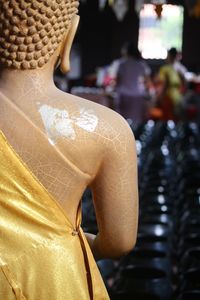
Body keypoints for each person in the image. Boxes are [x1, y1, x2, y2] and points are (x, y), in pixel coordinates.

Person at [0, 1, 138, 299]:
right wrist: (86, 243)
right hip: (53, 280)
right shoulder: (106, 128)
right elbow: (120, 241)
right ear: (68, 33)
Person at [115, 42, 151, 124]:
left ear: (126, 51)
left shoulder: (122, 64)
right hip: (137, 95)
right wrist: (147, 94)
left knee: (122, 121)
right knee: (136, 120)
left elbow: (118, 80)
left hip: (124, 94)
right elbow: (147, 81)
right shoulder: (141, 64)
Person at [155, 47, 183, 120]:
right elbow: (185, 82)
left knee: (167, 118)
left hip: (168, 97)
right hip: (178, 97)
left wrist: (159, 96)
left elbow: (165, 85)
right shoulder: (181, 68)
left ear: (169, 56)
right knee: (176, 118)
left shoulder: (165, 69)